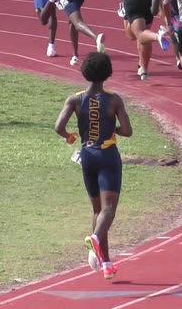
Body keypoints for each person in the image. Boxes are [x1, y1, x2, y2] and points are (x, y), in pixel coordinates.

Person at [54, 52, 132, 281]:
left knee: (98, 211)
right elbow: (127, 131)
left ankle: (106, 263)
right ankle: (95, 239)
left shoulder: (75, 99)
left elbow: (58, 127)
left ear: (85, 72)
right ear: (107, 73)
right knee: (109, 209)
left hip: (87, 155)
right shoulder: (114, 99)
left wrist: (70, 137)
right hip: (107, 155)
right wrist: (112, 128)